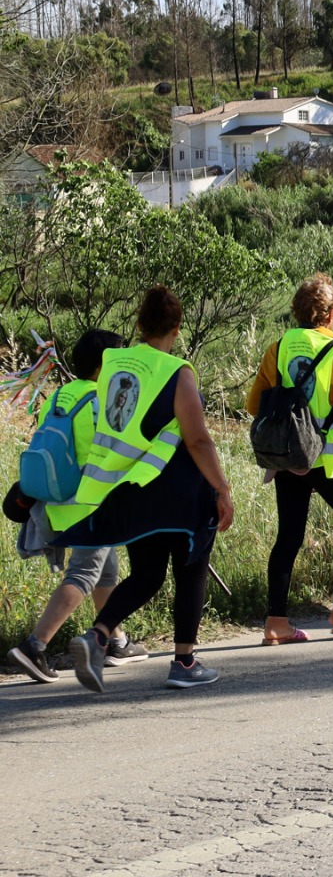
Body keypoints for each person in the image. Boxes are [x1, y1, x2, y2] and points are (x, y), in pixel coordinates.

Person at [56, 286, 235, 692]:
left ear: (139, 323)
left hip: (131, 490)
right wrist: (222, 489)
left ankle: (98, 636)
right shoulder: (177, 371)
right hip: (181, 495)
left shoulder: (113, 363)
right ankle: (184, 662)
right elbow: (198, 440)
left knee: (148, 574)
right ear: (177, 326)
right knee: (189, 572)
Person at [6, 330, 148, 682]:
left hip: (58, 500)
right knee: (85, 573)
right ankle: (33, 647)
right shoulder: (101, 399)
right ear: (105, 365)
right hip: (90, 501)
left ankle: (116, 641)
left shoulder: (61, 395)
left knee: (106, 571)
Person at [246, 274, 333, 643]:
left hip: (288, 457)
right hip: (328, 459)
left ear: (298, 312)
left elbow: (253, 404)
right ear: (332, 312)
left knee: (288, 536)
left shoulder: (279, 345)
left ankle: (276, 623)